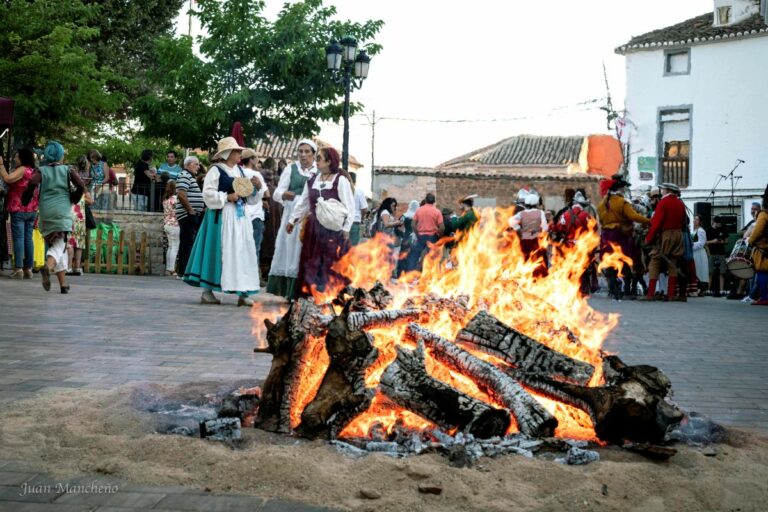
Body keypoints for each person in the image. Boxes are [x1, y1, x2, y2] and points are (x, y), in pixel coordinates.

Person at [183, 137, 262, 306]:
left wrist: (255, 188)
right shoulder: (216, 170)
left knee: (241, 252)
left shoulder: (240, 171)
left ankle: (243, 292)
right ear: (227, 153)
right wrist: (227, 197)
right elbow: (208, 193)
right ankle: (207, 291)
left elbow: (248, 194)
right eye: (236, 151)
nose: (240, 153)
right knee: (217, 251)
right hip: (222, 217)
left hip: (240, 218)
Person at [288, 146, 355, 297]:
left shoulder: (340, 180)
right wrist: (292, 220)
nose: (316, 161)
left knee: (331, 263)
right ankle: (310, 297)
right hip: (314, 230)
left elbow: (350, 206)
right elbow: (303, 203)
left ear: (329, 161)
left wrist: (346, 228)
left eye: (319, 158)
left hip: (333, 230)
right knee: (311, 262)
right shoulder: (312, 181)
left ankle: (332, 297)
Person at [22, 140, 85, 293]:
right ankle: (47, 267)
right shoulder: (68, 170)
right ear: (61, 155)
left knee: (58, 247)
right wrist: (74, 198)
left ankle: (63, 284)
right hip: (62, 212)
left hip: (46, 212)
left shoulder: (41, 171)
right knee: (59, 246)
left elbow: (31, 184)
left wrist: (26, 199)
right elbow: (82, 186)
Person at [266, 139, 317, 299]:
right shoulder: (291, 169)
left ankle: (306, 291)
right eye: (300, 151)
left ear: (314, 154)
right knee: (290, 250)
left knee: (305, 250)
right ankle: (290, 292)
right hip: (292, 214)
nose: (303, 155)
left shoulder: (318, 171)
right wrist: (283, 194)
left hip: (310, 215)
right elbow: (276, 193)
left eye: (307, 151)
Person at [597, 176, 650, 300]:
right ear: (620, 189)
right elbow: (634, 216)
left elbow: (601, 219)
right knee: (625, 260)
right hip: (620, 235)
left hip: (606, 236)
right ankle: (627, 290)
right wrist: (649, 221)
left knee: (609, 262)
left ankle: (613, 289)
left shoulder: (602, 204)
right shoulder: (622, 202)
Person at [641, 182, 688, 302]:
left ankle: (650, 293)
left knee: (654, 261)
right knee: (673, 262)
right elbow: (684, 221)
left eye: (663, 189)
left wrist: (649, 238)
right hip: (678, 235)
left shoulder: (663, 202)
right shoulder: (680, 203)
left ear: (667, 190)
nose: (661, 191)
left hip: (666, 235)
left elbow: (656, 223)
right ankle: (671, 294)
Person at [0, 148, 39, 279]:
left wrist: (0, 165)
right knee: (28, 238)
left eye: (17, 157)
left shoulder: (22, 169)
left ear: (23, 158)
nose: (15, 159)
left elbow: (7, 179)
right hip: (31, 209)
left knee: (18, 238)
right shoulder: (34, 171)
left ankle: (18, 268)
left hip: (19, 208)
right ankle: (28, 269)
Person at [175, 156, 205, 277]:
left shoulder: (188, 176)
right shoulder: (184, 175)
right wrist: (191, 211)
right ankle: (186, 272)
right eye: (196, 164)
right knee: (188, 243)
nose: (198, 167)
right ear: (189, 164)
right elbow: (181, 195)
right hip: (187, 215)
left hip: (189, 214)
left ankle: (183, 271)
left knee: (186, 243)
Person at [509, 189, 549, 277]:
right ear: (536, 204)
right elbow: (545, 228)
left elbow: (511, 221)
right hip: (536, 241)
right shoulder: (540, 213)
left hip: (524, 242)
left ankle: (526, 278)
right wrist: (539, 231)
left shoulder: (521, 213)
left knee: (525, 261)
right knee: (539, 261)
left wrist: (519, 229)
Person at [240, 148, 269, 263]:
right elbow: (267, 194)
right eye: (256, 157)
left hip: (240, 214)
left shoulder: (239, 173)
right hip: (255, 214)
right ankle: (253, 277)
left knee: (241, 248)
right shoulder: (256, 174)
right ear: (251, 160)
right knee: (254, 248)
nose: (258, 159)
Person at [407, 192, 445, 273]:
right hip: (432, 237)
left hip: (421, 236)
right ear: (434, 201)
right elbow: (442, 227)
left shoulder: (419, 210)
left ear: (426, 200)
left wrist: (417, 234)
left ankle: (409, 275)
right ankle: (430, 276)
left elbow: (413, 224)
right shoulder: (437, 212)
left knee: (415, 256)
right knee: (432, 258)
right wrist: (439, 234)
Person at [747, 185, 768, 305]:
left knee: (762, 271)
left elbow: (757, 230)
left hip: (763, 248)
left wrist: (750, 242)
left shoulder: (763, 214)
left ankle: (765, 297)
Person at [372, 197, 404, 271]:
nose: (394, 207)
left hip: (384, 238)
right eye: (393, 206)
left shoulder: (386, 212)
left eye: (395, 206)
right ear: (388, 205)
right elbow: (386, 224)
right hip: (384, 238)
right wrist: (396, 223)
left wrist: (397, 222)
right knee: (388, 258)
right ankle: (387, 275)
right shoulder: (385, 212)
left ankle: (384, 275)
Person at [705, 215, 728, 297]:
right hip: (712, 252)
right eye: (716, 223)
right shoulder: (708, 230)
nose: (718, 225)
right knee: (710, 272)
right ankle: (708, 289)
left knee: (722, 272)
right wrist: (713, 241)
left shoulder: (723, 229)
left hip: (721, 252)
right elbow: (705, 242)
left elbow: (726, 240)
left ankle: (721, 290)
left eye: (719, 223)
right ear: (713, 222)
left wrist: (722, 242)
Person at [396, 200, 420, 277]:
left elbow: (396, 226)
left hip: (406, 237)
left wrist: (400, 235)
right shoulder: (419, 216)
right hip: (416, 239)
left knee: (403, 256)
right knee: (413, 257)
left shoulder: (404, 216)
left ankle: (400, 275)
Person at [162, 180, 180, 276]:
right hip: (174, 224)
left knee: (170, 246)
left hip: (166, 224)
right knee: (175, 247)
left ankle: (168, 268)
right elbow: (176, 211)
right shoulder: (174, 199)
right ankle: (172, 269)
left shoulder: (165, 199)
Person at [691, 214, 709, 296]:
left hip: (700, 253)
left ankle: (702, 289)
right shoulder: (693, 231)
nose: (695, 221)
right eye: (694, 219)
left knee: (700, 271)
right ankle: (696, 288)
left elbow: (702, 243)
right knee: (696, 270)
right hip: (695, 252)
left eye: (697, 220)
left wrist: (691, 245)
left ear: (700, 222)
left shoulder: (701, 231)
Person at [349, 172, 368, 246]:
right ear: (355, 181)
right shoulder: (358, 191)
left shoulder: (341, 190)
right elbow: (364, 209)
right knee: (353, 249)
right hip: (354, 222)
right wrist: (362, 217)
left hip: (342, 223)